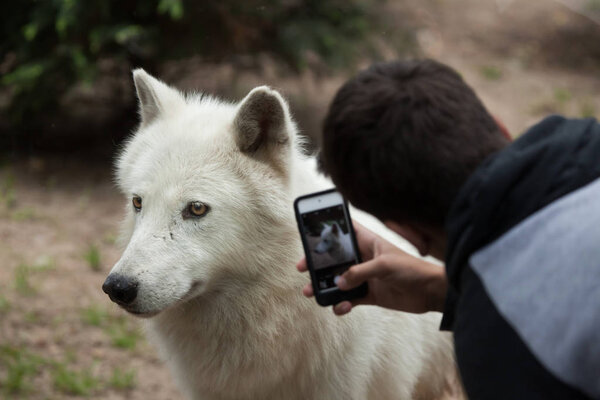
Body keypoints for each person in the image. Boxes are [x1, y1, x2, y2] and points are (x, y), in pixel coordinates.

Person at [296, 59, 600, 399]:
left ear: (406, 233)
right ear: (501, 128)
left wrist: (478, 309)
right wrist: (445, 292)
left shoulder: (501, 353)